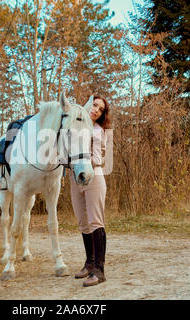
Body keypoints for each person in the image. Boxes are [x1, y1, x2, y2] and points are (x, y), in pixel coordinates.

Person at [70, 95, 110, 287]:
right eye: (94, 105)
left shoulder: (98, 131)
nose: (95, 109)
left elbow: (99, 158)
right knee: (82, 222)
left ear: (102, 115)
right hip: (75, 178)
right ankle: (89, 263)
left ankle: (99, 270)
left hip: (94, 176)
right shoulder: (75, 126)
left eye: (100, 109)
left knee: (95, 221)